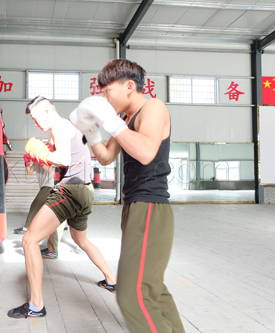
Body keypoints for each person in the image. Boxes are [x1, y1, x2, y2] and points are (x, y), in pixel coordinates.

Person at [70, 59, 185, 332]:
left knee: (132, 295)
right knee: (152, 288)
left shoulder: (153, 108)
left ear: (129, 86)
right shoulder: (124, 120)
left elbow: (145, 152)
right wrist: (92, 132)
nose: (103, 97)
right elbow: (107, 157)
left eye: (107, 90)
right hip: (134, 206)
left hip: (151, 206)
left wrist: (110, 122)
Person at [7, 96, 117, 319]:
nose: (37, 123)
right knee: (81, 240)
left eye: (37, 118)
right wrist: (46, 154)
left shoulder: (60, 126)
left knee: (28, 240)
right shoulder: (70, 127)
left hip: (71, 192)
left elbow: (64, 158)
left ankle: (36, 306)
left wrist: (42, 153)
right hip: (86, 192)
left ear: (47, 111)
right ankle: (111, 281)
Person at [13, 154, 66, 259]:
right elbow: (29, 172)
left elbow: (50, 170)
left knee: (35, 205)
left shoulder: (49, 161)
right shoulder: (36, 163)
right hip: (46, 187)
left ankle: (27, 227)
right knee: (52, 217)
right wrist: (26, 163)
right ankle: (53, 249)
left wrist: (41, 160)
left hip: (49, 187)